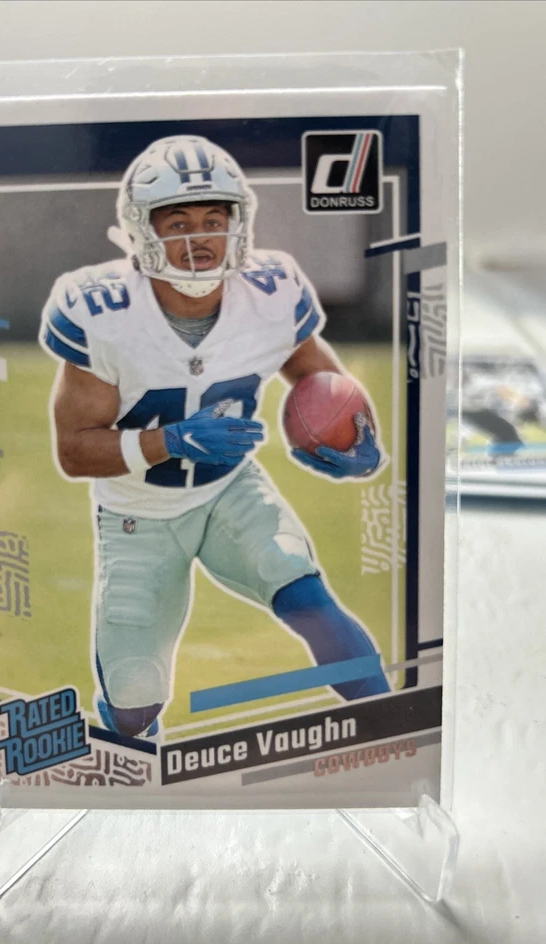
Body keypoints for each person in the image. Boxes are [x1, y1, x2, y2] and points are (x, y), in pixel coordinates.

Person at [39, 135, 389, 740]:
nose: (199, 238)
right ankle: (133, 766)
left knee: (305, 593)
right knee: (133, 696)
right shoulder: (102, 311)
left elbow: (322, 381)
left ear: (238, 223)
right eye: (177, 223)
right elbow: (74, 450)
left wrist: (358, 443)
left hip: (231, 489)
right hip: (138, 512)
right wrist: (170, 442)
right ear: (142, 229)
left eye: (213, 219)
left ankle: (393, 730)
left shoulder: (271, 291)